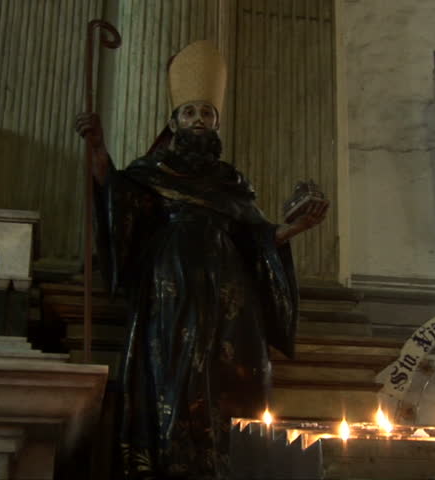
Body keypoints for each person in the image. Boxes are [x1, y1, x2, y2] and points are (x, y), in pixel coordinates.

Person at [76, 40, 328, 480]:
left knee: (223, 374)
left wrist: (298, 228)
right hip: (169, 288)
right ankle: (165, 461)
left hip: (230, 296)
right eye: (189, 112)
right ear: (173, 122)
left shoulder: (231, 181)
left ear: (215, 126)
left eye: (206, 114)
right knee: (171, 369)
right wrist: (97, 147)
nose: (197, 120)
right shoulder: (150, 172)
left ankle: (218, 462)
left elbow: (257, 239)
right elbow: (118, 199)